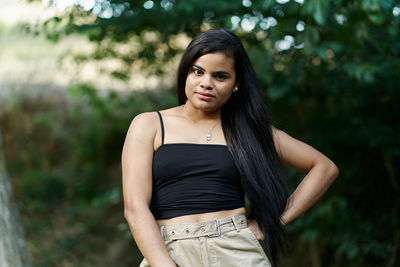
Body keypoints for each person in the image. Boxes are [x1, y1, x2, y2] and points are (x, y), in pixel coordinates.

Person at [121, 28, 339, 267]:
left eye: (220, 76)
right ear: (186, 72)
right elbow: (135, 208)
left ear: (236, 84)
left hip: (236, 251)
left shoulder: (248, 132)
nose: (206, 83)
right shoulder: (149, 125)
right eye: (198, 71)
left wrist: (273, 221)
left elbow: (324, 167)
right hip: (169, 252)